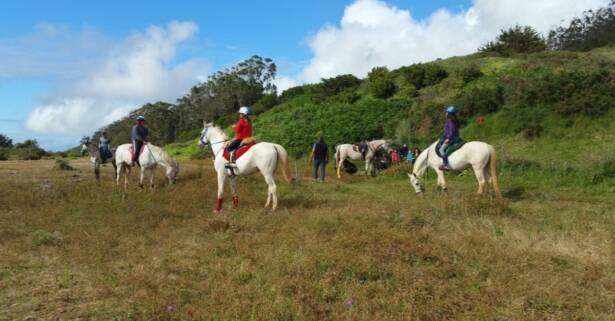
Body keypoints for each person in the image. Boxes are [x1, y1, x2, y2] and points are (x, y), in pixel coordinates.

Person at [439, 106, 460, 171]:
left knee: (441, 150)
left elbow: (452, 130)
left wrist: (448, 138)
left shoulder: (450, 120)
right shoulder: (455, 120)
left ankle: (446, 165)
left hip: (451, 138)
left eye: (446, 112)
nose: (446, 113)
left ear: (449, 113)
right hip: (456, 137)